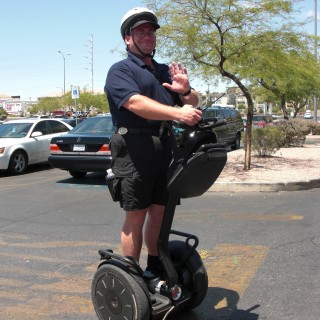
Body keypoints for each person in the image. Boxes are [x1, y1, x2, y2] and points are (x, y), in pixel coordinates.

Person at [105, 7, 202, 275]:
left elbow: (194, 102)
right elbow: (136, 103)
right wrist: (178, 112)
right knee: (136, 215)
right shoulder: (120, 70)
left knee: (160, 211)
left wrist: (186, 92)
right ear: (128, 38)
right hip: (134, 147)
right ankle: (133, 275)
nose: (147, 36)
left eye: (151, 32)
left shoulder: (163, 71)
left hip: (165, 146)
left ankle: (156, 265)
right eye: (140, 32)